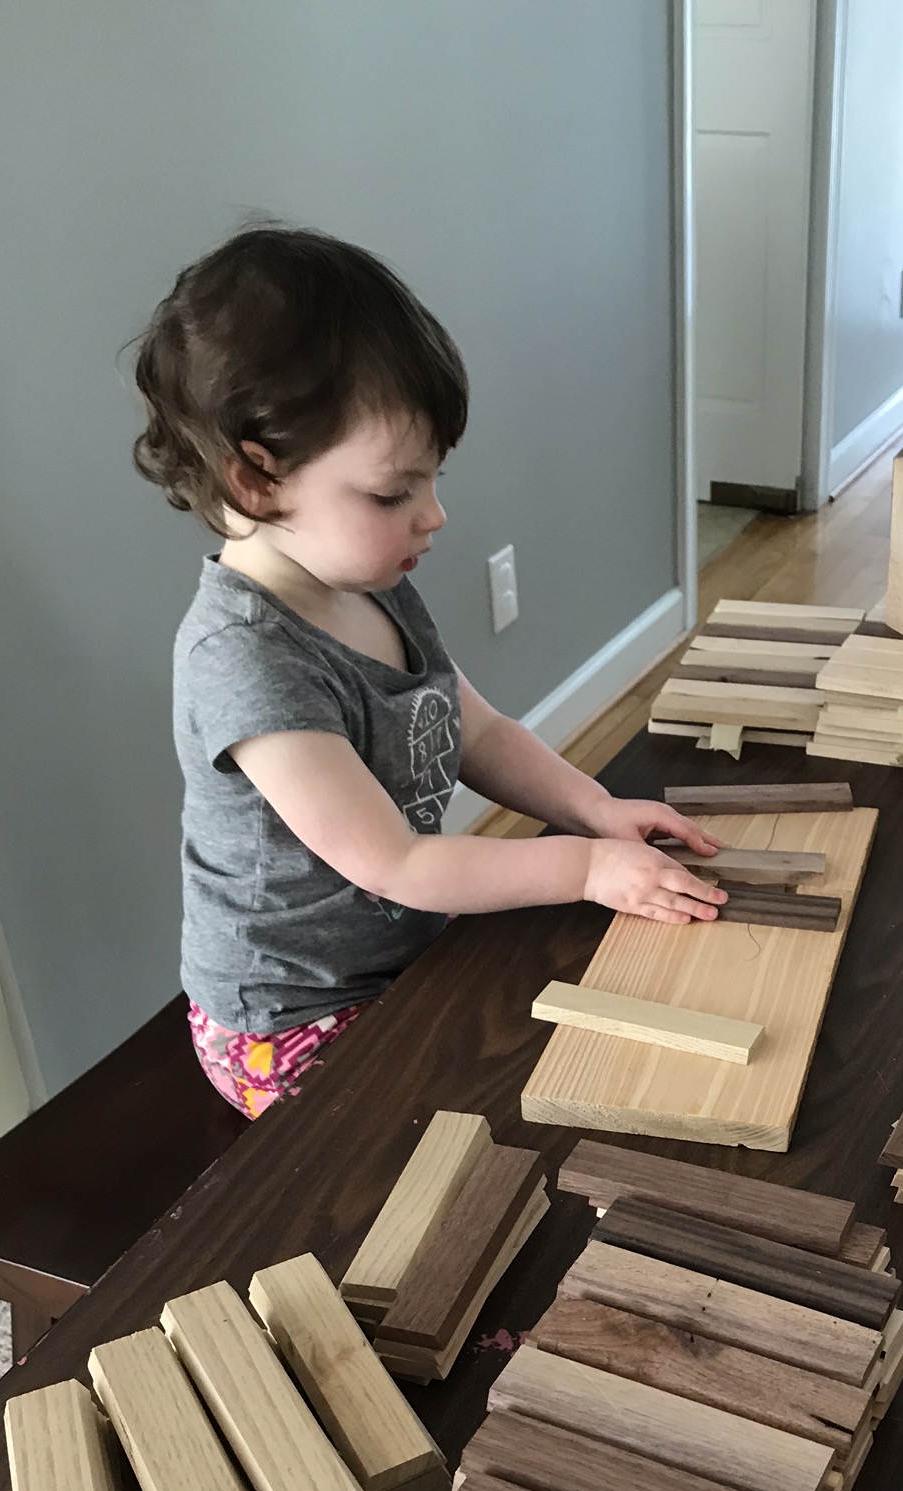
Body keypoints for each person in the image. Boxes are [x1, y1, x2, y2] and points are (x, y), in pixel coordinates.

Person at [132, 224, 724, 1118]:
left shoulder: (365, 581)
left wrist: (593, 810)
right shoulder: (246, 661)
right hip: (291, 1019)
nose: (434, 516)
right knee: (498, 1129)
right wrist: (588, 870)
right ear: (255, 480)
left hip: (402, 951)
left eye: (433, 481)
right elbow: (398, 864)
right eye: (392, 493)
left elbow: (475, 728)